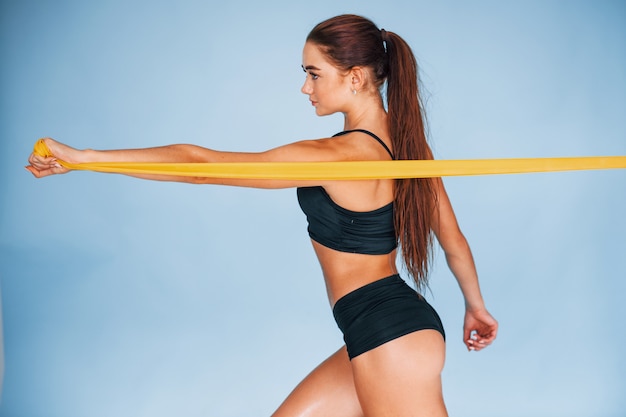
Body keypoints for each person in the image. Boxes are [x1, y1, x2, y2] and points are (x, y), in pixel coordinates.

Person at [27, 14, 497, 417]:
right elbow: (453, 239)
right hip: (384, 329)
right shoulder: (410, 145)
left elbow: (200, 168)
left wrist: (87, 157)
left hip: (390, 338)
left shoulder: (334, 157)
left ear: (354, 77)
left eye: (314, 73)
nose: (304, 86)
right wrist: (475, 307)